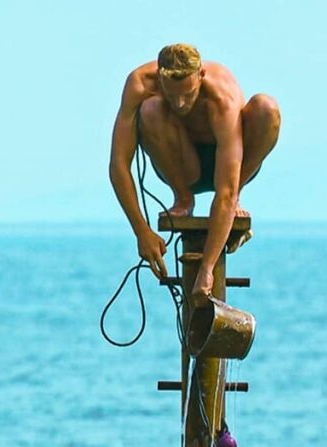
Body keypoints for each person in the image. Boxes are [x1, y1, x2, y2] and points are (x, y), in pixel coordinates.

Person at [108, 43, 281, 304]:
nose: (179, 103)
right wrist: (141, 232)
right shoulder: (140, 83)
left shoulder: (222, 96)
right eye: (172, 94)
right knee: (150, 109)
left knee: (266, 108)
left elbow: (225, 191)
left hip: (231, 166)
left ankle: (236, 204)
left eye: (187, 94)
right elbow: (119, 164)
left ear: (200, 75)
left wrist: (207, 269)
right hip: (180, 161)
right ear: (160, 77)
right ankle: (183, 198)